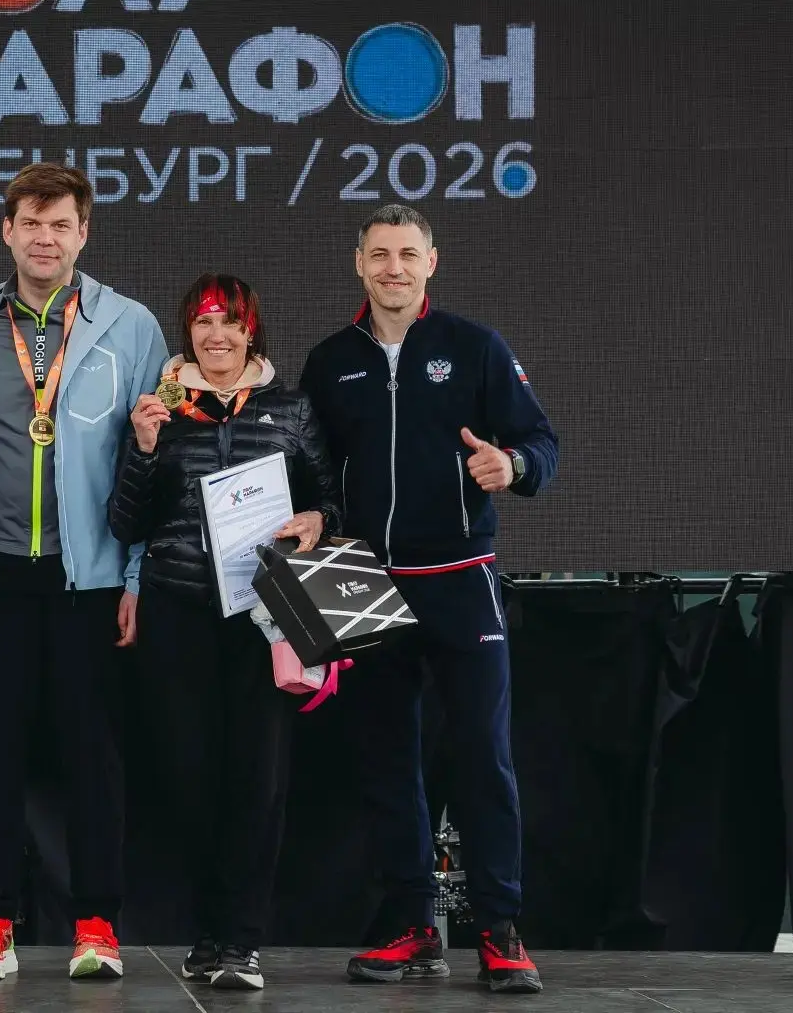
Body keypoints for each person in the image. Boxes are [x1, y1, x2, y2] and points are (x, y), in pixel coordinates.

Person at [300, 204, 558, 995]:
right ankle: (410, 924)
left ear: (431, 263)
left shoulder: (474, 347)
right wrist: (313, 513)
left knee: (482, 753)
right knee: (386, 761)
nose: (394, 268)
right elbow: (309, 469)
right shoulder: (330, 361)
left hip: (460, 575)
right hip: (363, 579)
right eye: (380, 254)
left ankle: (500, 929)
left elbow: (541, 444)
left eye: (408, 255)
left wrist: (511, 466)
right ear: (359, 263)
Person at [0, 163, 168, 982]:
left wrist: (133, 575)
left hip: (89, 580)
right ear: (7, 230)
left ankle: (96, 922)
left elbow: (152, 463)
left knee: (93, 760)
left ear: (83, 233)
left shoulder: (131, 325)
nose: (45, 238)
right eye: (31, 222)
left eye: (61, 224)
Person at [107, 273, 342, 991]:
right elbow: (124, 521)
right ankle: (207, 932)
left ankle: (242, 941)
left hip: (264, 617)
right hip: (177, 612)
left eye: (230, 323)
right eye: (204, 323)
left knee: (258, 781)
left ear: (251, 331)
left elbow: (330, 499)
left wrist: (318, 520)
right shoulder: (160, 409)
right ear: (188, 332)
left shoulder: (290, 408)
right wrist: (144, 446)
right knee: (188, 778)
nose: (217, 336)